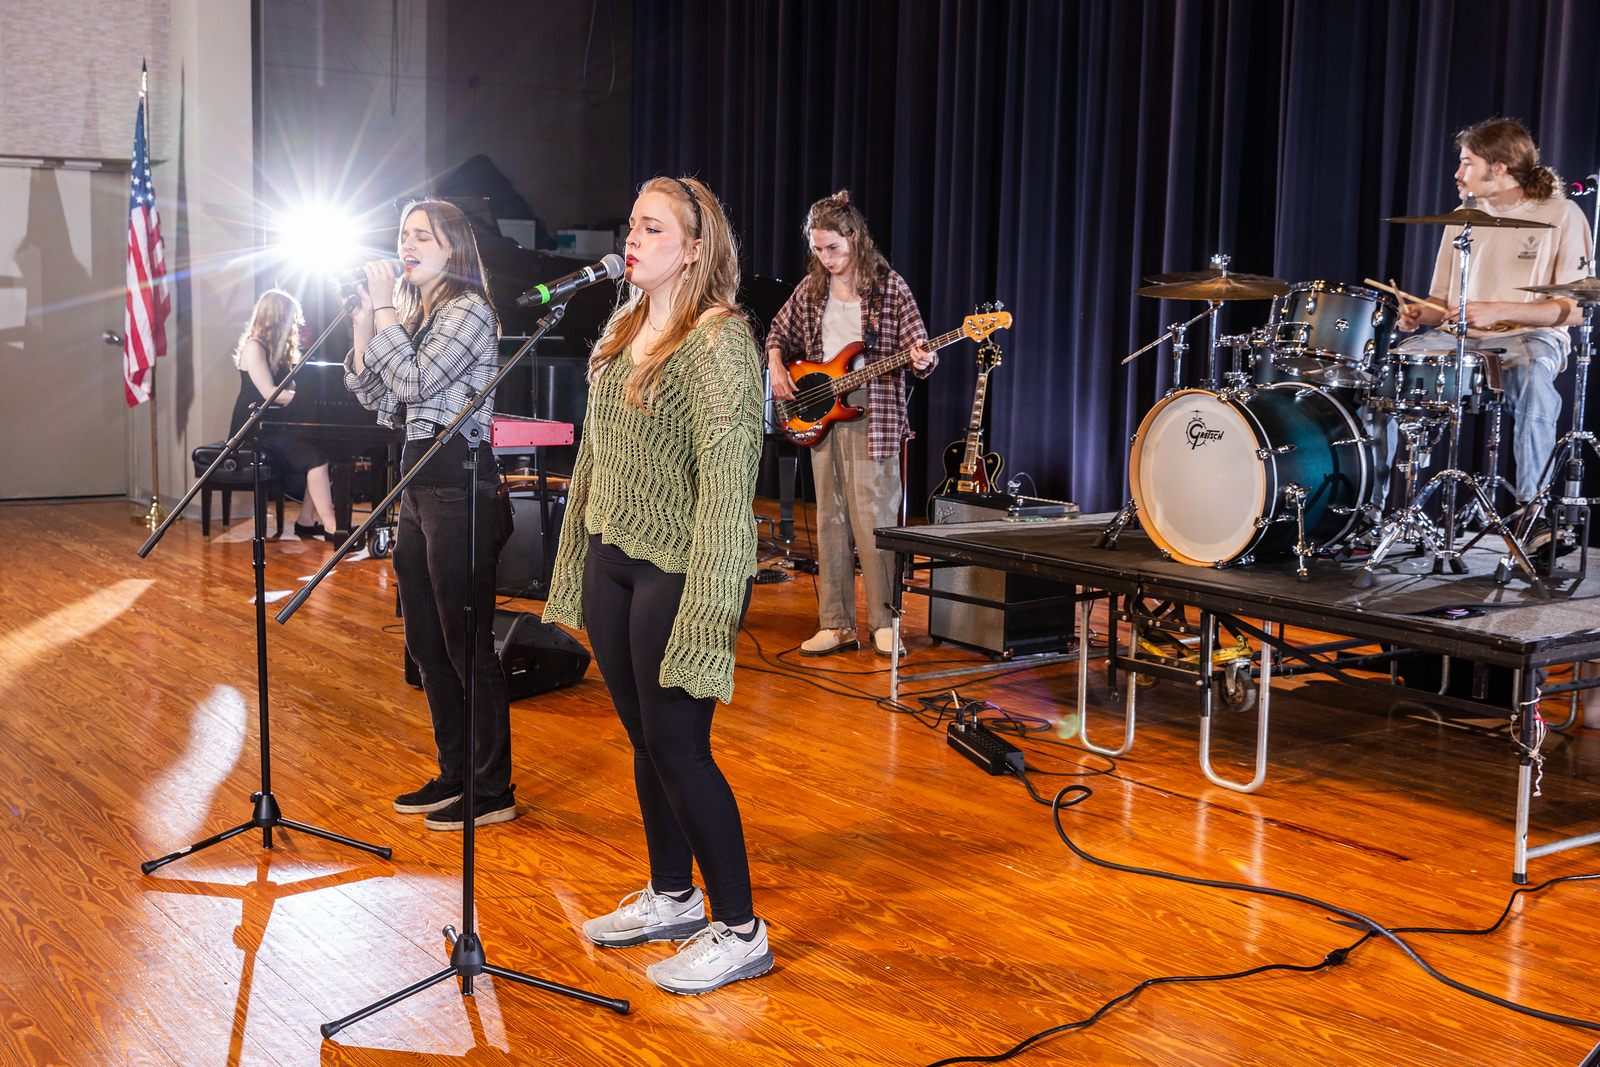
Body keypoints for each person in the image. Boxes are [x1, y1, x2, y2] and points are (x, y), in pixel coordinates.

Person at [541, 176, 772, 995]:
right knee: (643, 739)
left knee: (680, 744)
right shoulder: (625, 321)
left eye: (650, 227)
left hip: (679, 567)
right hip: (612, 555)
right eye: (629, 224)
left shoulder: (720, 346)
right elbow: (596, 460)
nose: (630, 240)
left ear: (697, 248)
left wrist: (711, 609)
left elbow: (726, 493)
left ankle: (740, 928)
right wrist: (576, 561)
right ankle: (674, 894)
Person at [345, 198, 516, 831]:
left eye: (422, 236)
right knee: (422, 640)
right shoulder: (417, 314)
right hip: (418, 484)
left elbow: (416, 384)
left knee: (464, 639)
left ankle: (492, 786)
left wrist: (387, 312)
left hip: (459, 483)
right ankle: (454, 772)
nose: (407, 246)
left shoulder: (470, 311)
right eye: (403, 235)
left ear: (454, 251)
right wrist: (368, 320)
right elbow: (375, 397)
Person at [766, 190, 935, 658]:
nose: (826, 259)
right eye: (818, 250)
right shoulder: (812, 287)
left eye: (833, 249)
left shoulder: (890, 288)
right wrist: (777, 364)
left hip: (873, 412)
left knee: (874, 521)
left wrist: (924, 358)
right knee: (831, 520)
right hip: (823, 410)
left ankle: (885, 622)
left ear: (855, 238)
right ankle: (836, 624)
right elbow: (777, 331)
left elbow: (920, 354)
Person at [1394, 118, 1593, 514]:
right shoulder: (1462, 216)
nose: (1458, 173)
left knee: (1535, 379)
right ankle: (1369, 511)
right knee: (1390, 369)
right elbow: (1440, 301)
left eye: (1467, 163)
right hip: (1462, 336)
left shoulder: (1563, 213)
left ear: (1498, 168)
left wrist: (1498, 309)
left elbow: (1573, 311)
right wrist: (1419, 313)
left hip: (1531, 337)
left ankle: (1533, 511)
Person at [228, 289, 340, 539]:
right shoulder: (253, 348)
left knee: (325, 452)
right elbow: (269, 392)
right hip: (254, 429)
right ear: (275, 317)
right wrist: (309, 402)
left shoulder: (279, 352)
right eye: (289, 317)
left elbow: (291, 389)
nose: (294, 324)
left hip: (275, 426)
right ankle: (332, 527)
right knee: (314, 456)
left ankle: (306, 520)